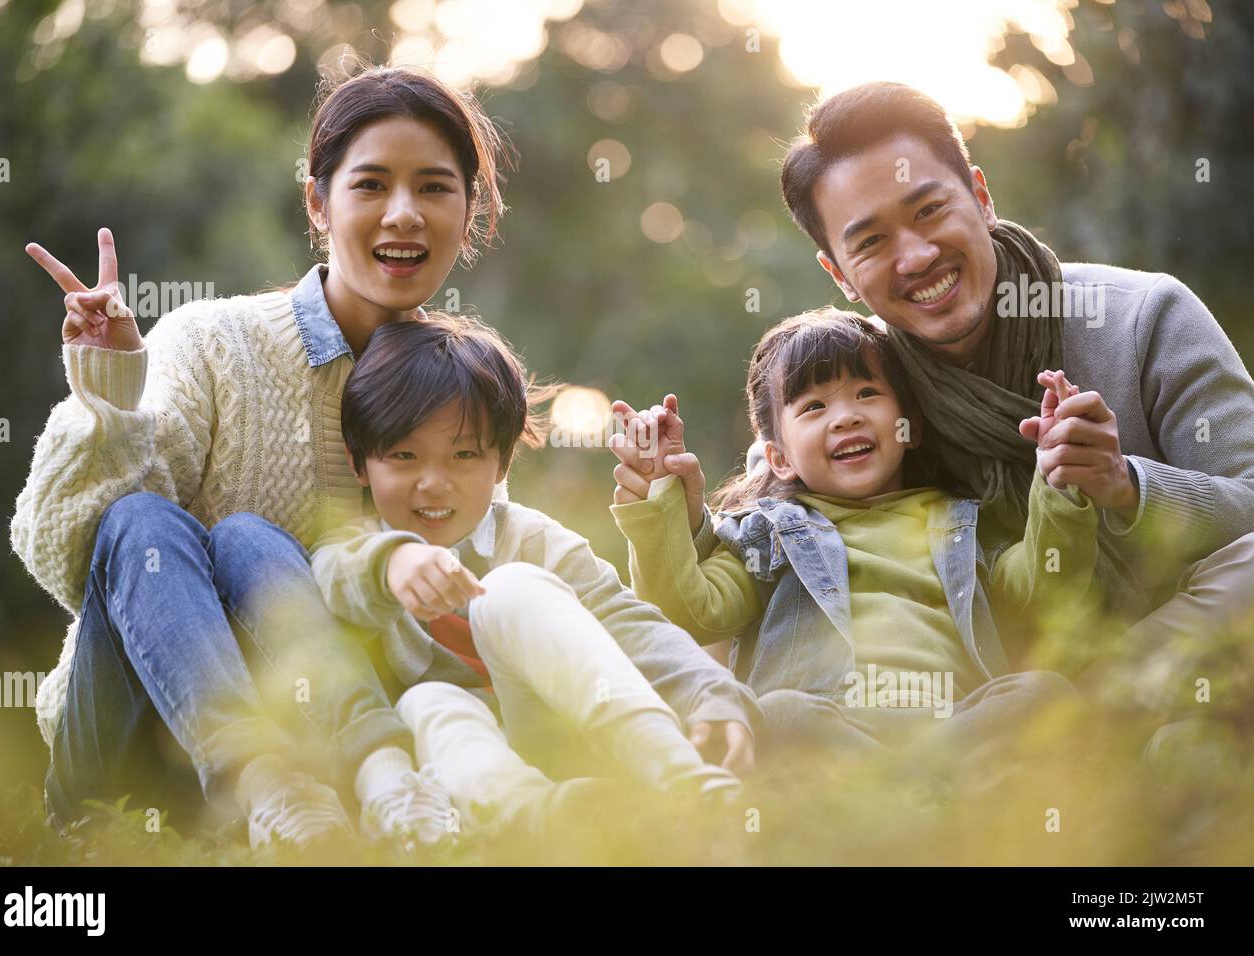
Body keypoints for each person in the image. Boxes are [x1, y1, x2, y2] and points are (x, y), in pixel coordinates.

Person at [615, 82, 1254, 742]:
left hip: (1146, 658)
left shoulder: (1144, 319)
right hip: (974, 706)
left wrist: (1125, 487)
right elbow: (741, 570)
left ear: (980, 196)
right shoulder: (857, 390)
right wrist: (673, 508)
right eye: (870, 242)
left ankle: (1075, 737)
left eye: (928, 210)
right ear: (839, 273)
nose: (916, 257)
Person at [11, 63, 510, 848]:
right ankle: (261, 781)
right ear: (318, 202)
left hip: (337, 763)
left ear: (471, 210)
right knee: (145, 517)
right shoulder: (213, 342)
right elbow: (69, 551)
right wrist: (110, 393)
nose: (404, 214)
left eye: (436, 188)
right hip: (136, 748)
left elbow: (494, 578)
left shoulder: (458, 385)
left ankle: (336, 791)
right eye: (371, 185)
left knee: (254, 542)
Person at [308, 315, 759, 837]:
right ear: (360, 463)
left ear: (500, 464)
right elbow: (332, 578)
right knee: (425, 701)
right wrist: (391, 561)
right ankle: (555, 823)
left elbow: (630, 624)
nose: (434, 483)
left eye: (463, 456)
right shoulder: (354, 546)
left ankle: (683, 781)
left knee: (512, 588)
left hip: (561, 731)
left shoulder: (534, 540)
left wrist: (713, 696)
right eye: (405, 456)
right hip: (464, 767)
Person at [610, 308, 1093, 789]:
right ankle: (924, 807)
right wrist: (661, 499)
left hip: (952, 731)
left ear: (911, 427)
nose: (846, 417)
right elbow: (690, 613)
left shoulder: (964, 522)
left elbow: (1041, 594)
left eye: (867, 393)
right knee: (778, 715)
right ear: (779, 458)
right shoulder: (768, 534)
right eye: (814, 407)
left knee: (1046, 695)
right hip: (833, 732)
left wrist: (1059, 480)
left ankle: (909, 806)